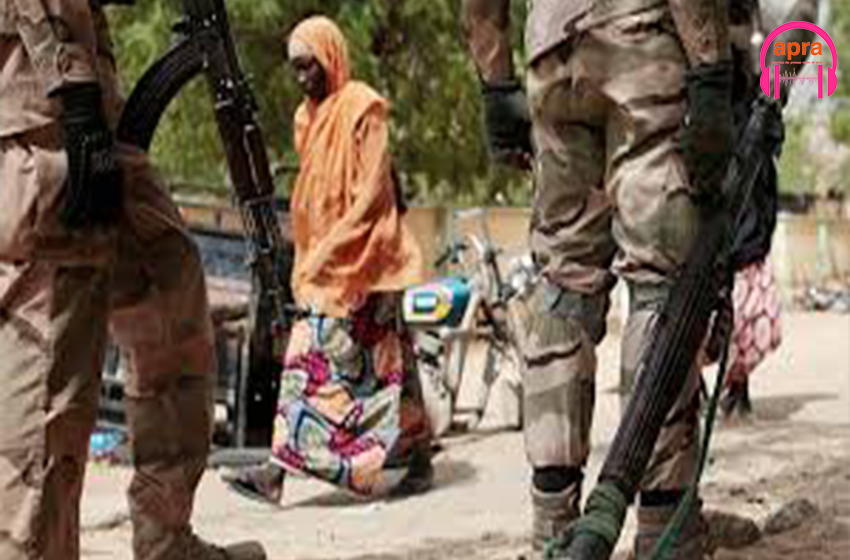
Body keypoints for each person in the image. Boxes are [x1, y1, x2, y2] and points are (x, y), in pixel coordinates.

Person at [462, 0, 734, 557]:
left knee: (562, 286)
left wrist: (495, 85)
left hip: (553, 58)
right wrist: (709, 74)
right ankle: (664, 521)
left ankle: (553, 524)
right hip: (641, 44)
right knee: (661, 287)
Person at [0, 1, 265, 558]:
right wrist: (74, 96)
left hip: (92, 111)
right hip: (43, 117)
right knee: (51, 362)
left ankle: (166, 536)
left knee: (169, 286)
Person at [224, 15, 434, 504]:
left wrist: (330, 249)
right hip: (327, 262)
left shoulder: (364, 108)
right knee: (391, 360)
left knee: (308, 355)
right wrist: (310, 251)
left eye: (309, 67)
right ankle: (419, 460)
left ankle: (277, 470)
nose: (303, 79)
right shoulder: (306, 118)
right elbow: (317, 193)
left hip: (370, 257)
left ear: (331, 58)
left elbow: (372, 193)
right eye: (295, 69)